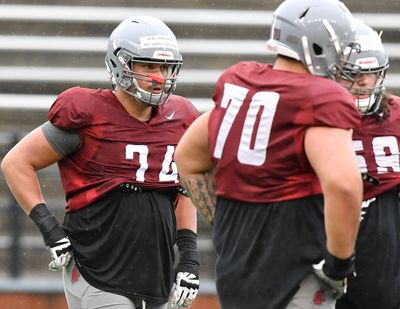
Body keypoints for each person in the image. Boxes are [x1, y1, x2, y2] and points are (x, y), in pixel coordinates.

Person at [174, 0, 364, 308]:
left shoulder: (241, 87)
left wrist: (223, 220)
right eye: (340, 46)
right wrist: (339, 264)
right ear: (317, 45)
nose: (343, 56)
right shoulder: (316, 98)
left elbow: (188, 158)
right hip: (294, 276)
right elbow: (344, 184)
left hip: (236, 272)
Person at [1, 16, 200, 309]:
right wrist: (50, 230)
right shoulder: (89, 114)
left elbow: (183, 190)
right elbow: (17, 162)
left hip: (156, 276)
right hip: (96, 269)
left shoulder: (181, 117)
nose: (159, 76)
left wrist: (190, 258)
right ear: (121, 64)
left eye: (165, 67)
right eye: (148, 66)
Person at [335, 20, 400, 309]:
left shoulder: (396, 115)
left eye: (369, 74)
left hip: (388, 238)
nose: (362, 82)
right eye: (353, 73)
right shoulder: (315, 118)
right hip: (331, 225)